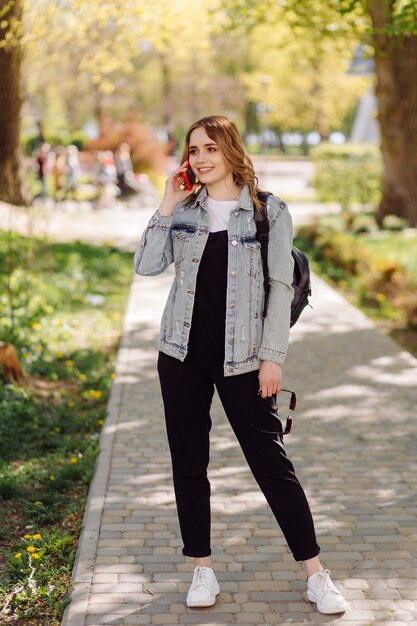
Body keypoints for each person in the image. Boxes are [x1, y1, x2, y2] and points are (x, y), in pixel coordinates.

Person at [134, 116, 348, 615]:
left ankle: (316, 575)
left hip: (245, 358)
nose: (201, 159)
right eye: (193, 151)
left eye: (210, 148)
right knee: (189, 463)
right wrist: (166, 201)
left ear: (231, 150)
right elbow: (145, 264)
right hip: (181, 354)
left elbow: (278, 288)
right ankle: (201, 569)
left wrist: (273, 357)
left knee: (271, 463)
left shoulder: (267, 212)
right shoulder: (184, 209)